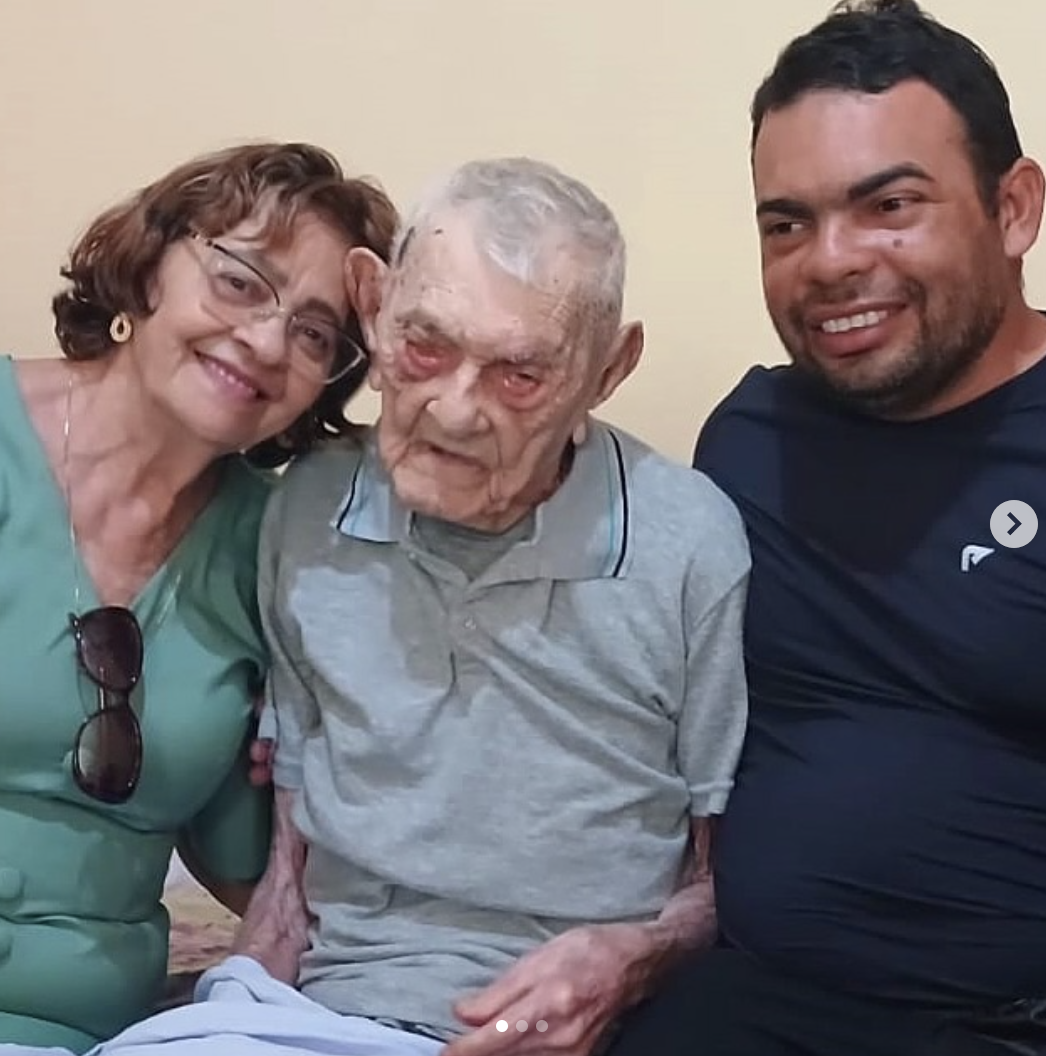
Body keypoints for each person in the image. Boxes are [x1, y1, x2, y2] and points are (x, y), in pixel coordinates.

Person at [8, 157, 752, 1056]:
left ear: (608, 370)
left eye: (520, 374)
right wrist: (233, 996)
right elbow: (289, 875)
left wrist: (630, 961)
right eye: (426, 346)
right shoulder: (307, 514)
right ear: (379, 309)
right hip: (306, 1015)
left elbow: (737, 870)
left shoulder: (687, 544)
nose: (456, 410)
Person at [607, 2, 1046, 1054]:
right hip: (752, 1004)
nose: (828, 261)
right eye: (786, 224)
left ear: (1013, 208)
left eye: (887, 204)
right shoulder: (750, 441)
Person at [0, 142, 396, 1052]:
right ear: (149, 266)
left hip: (87, 1030)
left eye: (315, 334)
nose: (267, 342)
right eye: (241, 283)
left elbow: (246, 867)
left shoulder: (275, 546)